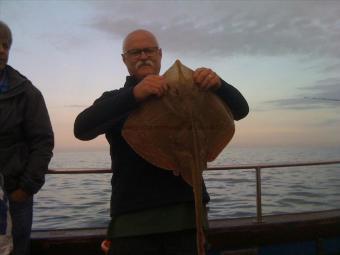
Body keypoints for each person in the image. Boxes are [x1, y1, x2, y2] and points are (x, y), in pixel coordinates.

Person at [74, 29, 249, 255]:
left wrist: (218, 85)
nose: (143, 56)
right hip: (132, 219)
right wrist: (135, 95)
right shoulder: (115, 99)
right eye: (135, 52)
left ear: (160, 54)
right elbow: (82, 128)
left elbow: (240, 110)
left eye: (149, 50)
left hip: (187, 215)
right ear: (124, 59)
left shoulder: (194, 91)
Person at [0, 20, 54, 255]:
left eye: (6, 45)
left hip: (14, 196)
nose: (2, 50)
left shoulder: (27, 93)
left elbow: (43, 142)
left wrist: (25, 189)